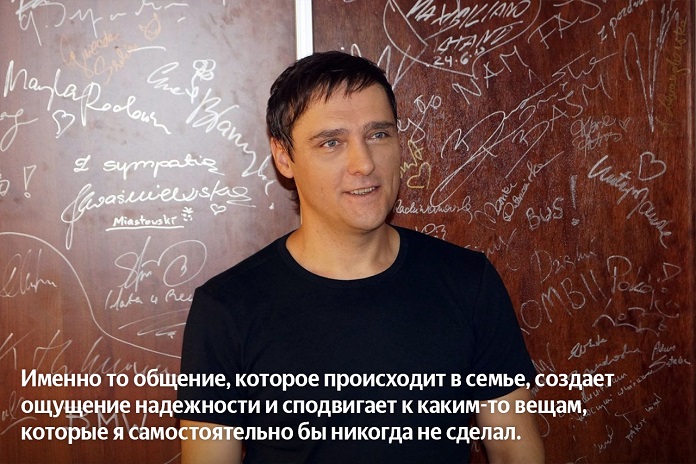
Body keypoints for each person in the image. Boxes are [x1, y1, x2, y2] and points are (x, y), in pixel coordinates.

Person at [177, 50, 544, 463]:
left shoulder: (467, 282)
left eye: (379, 134)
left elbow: (513, 450)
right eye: (331, 142)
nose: (364, 163)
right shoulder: (227, 307)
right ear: (284, 157)